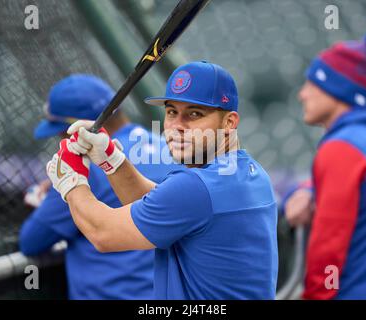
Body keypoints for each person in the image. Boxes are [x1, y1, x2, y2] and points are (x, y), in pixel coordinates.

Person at [45, 61, 279, 299]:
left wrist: (71, 183)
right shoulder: (251, 173)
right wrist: (112, 160)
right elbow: (162, 205)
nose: (176, 126)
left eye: (194, 114)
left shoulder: (195, 188)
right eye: (171, 112)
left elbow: (102, 233)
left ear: (229, 122)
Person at [19, 74, 176, 300]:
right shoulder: (169, 148)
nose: (62, 136)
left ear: (77, 126)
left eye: (62, 129)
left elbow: (32, 241)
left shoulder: (86, 164)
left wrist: (46, 199)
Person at [290, 31, 366, 299]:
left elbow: (328, 250)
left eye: (311, 84)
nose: (302, 94)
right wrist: (310, 189)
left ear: (336, 89)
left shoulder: (341, 150)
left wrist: (315, 296)